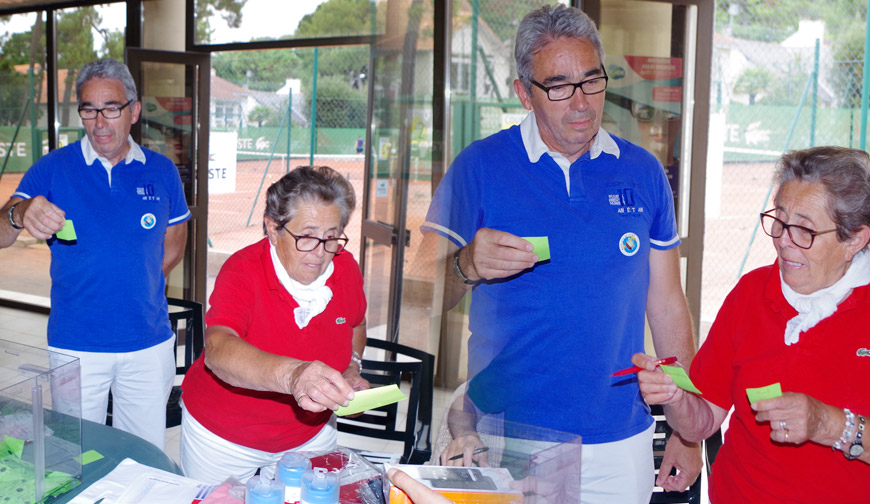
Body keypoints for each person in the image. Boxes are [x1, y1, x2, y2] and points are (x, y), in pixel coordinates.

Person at [420, 5, 700, 502]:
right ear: (524, 93)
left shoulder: (642, 172)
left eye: (592, 81)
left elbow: (667, 303)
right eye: (559, 86)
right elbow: (419, 297)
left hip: (621, 439)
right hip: (506, 437)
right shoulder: (479, 167)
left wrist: (687, 425)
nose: (582, 103)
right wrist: (465, 266)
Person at [634, 146, 870, 503]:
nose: (782, 242)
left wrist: (829, 425)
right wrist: (677, 398)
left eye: (804, 230)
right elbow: (702, 421)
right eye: (779, 220)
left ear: (854, 239)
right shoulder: (751, 293)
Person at [0, 58, 189, 450]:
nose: (99, 121)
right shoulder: (52, 169)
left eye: (111, 108)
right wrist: (19, 212)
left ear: (134, 111)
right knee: (75, 453)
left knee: (142, 450)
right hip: (75, 345)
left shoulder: (162, 171)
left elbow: (174, 239)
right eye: (88, 109)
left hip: (148, 343)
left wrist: (136, 280)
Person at [180, 166, 368, 484]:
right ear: (273, 228)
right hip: (224, 436)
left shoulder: (346, 268)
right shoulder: (243, 270)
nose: (321, 253)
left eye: (332, 237)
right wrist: (293, 375)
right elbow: (218, 348)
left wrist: (352, 367)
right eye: (307, 237)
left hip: (311, 432)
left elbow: (356, 324)